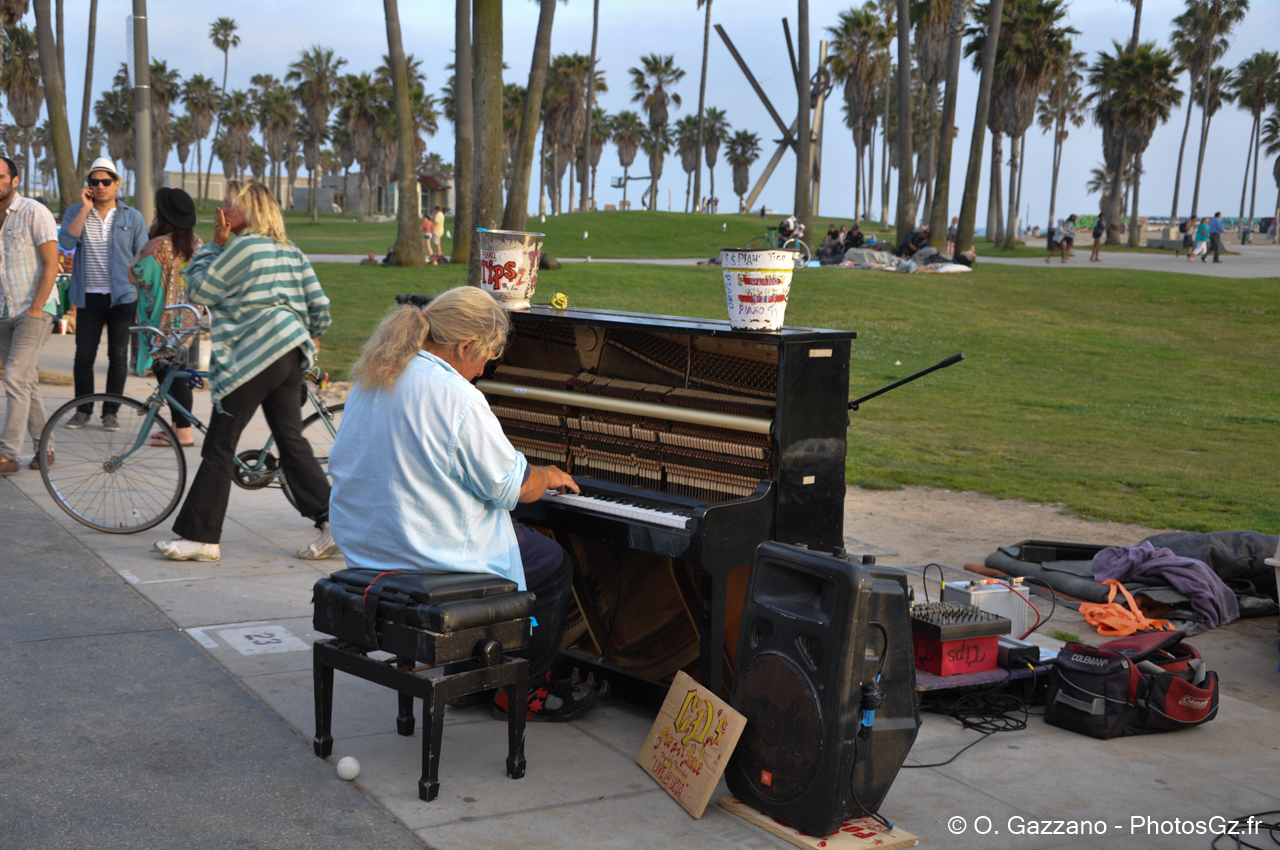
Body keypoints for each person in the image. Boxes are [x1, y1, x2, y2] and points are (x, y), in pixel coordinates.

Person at [327, 287, 598, 723]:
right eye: (486, 358)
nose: (483, 370)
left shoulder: (375, 375)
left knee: (518, 544)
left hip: (370, 546)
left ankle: (471, 672)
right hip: (426, 556)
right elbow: (510, 487)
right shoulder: (457, 396)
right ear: (465, 346)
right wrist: (547, 475)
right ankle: (523, 691)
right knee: (551, 564)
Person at [154, 181, 335, 563]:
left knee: (220, 443)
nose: (221, 212)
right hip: (288, 352)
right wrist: (309, 336)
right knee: (290, 440)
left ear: (247, 212)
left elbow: (200, 291)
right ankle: (333, 520)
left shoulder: (243, 247)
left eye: (227, 206)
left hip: (253, 355)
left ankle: (201, 536)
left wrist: (215, 247)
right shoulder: (292, 250)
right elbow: (320, 306)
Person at [58, 157, 149, 431]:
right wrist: (85, 210)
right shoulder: (76, 211)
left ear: (117, 184)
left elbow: (142, 256)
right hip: (88, 296)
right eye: (94, 182)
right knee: (84, 356)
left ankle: (111, 413)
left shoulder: (132, 217)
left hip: (122, 296)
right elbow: (65, 242)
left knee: (117, 357)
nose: (100, 186)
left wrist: (141, 293)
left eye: (106, 181)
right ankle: (82, 410)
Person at [130, 187, 204, 448]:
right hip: (187, 321)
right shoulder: (197, 243)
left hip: (161, 321)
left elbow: (135, 275)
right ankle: (175, 427)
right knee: (177, 372)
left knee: (169, 374)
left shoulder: (157, 245)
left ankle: (183, 431)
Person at [0, 155, 60, 474]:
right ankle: (45, 448)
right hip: (2, 313)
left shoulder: (34, 211)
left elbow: (52, 262)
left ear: (14, 180)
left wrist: (37, 308)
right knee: (25, 381)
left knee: (13, 377)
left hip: (33, 310)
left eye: (0, 176)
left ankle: (8, 453)